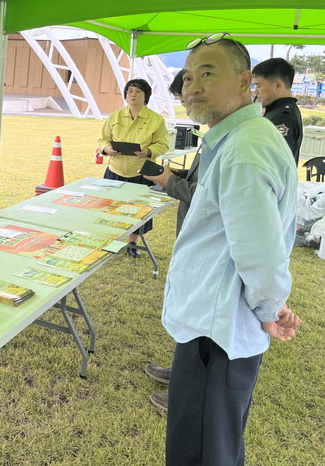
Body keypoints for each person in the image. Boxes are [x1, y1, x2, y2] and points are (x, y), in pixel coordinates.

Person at [162, 34, 300, 466]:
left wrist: (269, 308)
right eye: (188, 77)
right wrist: (271, 305)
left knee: (201, 452)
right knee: (216, 447)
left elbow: (260, 253)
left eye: (207, 73)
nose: (193, 87)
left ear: (244, 80)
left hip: (216, 330)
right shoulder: (241, 138)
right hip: (217, 322)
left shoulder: (244, 150)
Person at [141, 69, 200, 412]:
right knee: (189, 313)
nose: (187, 105)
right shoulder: (219, 135)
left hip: (208, 244)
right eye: (182, 98)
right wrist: (175, 175)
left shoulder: (239, 141)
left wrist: (169, 181)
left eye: (189, 97)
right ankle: (182, 375)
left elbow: (209, 196)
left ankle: (187, 393)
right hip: (194, 235)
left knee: (199, 318)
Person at [97, 78, 169, 257]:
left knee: (139, 210)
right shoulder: (115, 116)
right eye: (129, 91)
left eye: (138, 91)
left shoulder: (156, 119)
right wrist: (107, 149)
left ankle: (132, 243)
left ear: (146, 96)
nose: (133, 94)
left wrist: (148, 151)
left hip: (142, 172)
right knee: (111, 208)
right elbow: (103, 139)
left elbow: (163, 144)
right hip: (115, 171)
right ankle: (112, 240)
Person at [252, 57, 303, 162]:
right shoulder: (279, 111)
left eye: (258, 86)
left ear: (277, 85)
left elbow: (272, 160)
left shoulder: (282, 118)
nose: (255, 92)